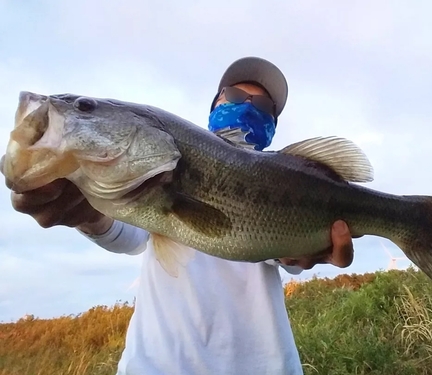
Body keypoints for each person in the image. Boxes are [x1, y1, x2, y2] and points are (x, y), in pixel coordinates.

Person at [2, 57, 355, 375]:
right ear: (214, 105)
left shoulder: (289, 182)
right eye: (233, 96)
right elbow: (126, 235)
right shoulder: (151, 178)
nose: (247, 107)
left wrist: (310, 249)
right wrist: (84, 213)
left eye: (262, 105)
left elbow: (292, 259)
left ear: (273, 127)